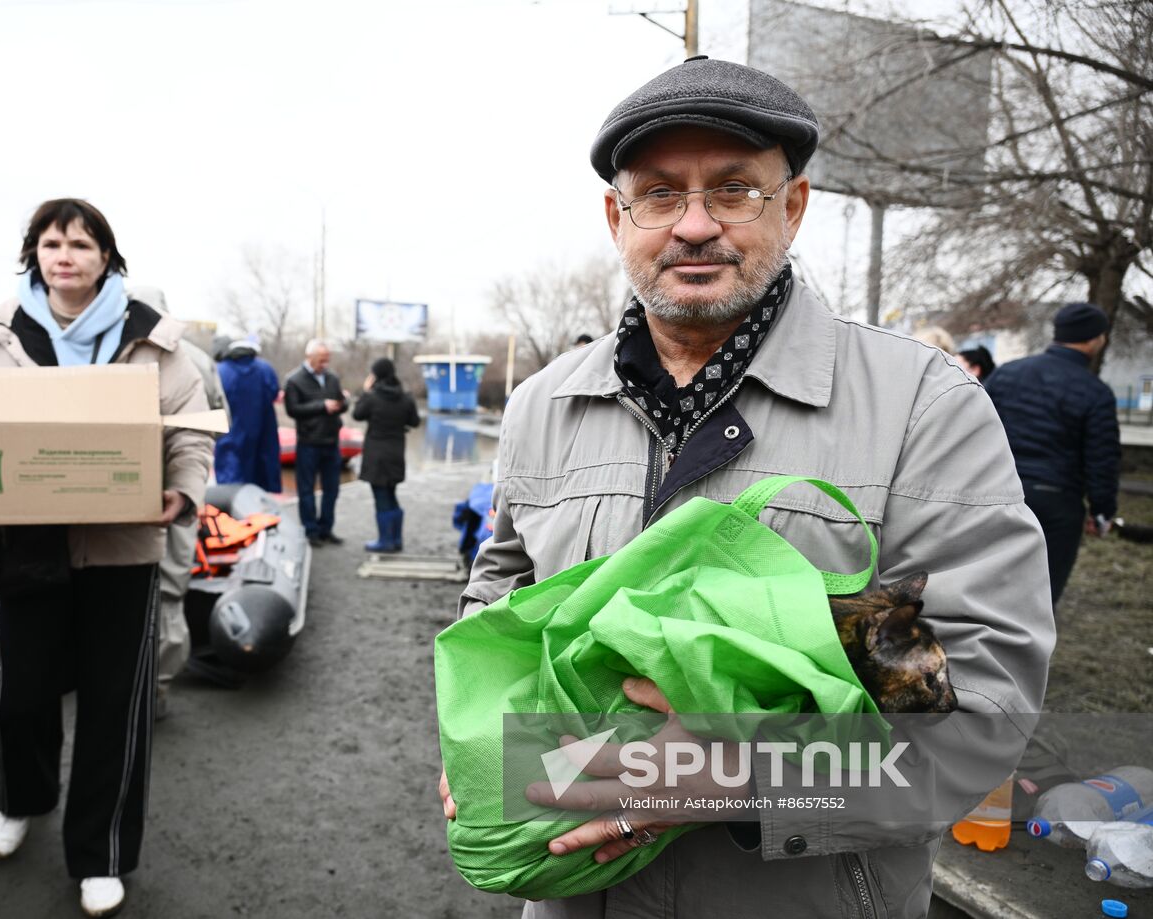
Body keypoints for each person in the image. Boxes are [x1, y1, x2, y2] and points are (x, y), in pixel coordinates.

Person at [442, 57, 1053, 918]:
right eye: (659, 194)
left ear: (792, 206)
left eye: (734, 191)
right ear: (618, 217)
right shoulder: (544, 403)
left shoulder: (925, 405)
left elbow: (987, 694)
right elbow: (501, 591)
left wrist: (746, 782)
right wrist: (475, 737)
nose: (695, 225)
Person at [0, 199, 211, 917]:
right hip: (27, 540)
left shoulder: (154, 341)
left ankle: (102, 854)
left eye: (82, 244)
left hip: (123, 547)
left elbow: (191, 433)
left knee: (115, 708)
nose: (66, 255)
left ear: (106, 258)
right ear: (35, 254)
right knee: (22, 694)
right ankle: (21, 796)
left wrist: (181, 493)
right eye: (53, 243)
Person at [129, 285, 229, 719]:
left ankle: (140, 687)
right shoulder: (199, 359)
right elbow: (219, 420)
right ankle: (157, 688)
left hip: (141, 491)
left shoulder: (121, 352)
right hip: (181, 489)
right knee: (169, 589)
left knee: (142, 591)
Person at [985, 302, 1120, 605]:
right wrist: (1102, 511)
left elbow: (973, 429)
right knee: (1040, 597)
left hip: (998, 494)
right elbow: (1102, 458)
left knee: (989, 590)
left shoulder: (1007, 374)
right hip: (1057, 504)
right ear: (1093, 339)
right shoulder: (1094, 392)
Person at [351, 357, 420, 552]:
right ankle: (396, 539)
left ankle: (385, 541)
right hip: (396, 453)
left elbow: (357, 414)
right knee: (391, 494)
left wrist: (365, 391)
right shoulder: (406, 397)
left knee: (381, 498)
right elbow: (414, 422)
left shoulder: (372, 397)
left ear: (375, 376)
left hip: (376, 456)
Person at [284, 339, 348, 545]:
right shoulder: (294, 380)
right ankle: (310, 530)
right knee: (306, 489)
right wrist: (322, 406)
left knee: (332, 489)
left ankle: (326, 528)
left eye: (327, 360)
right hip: (309, 442)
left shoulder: (332, 378)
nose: (325, 364)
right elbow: (292, 410)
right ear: (309, 358)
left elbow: (341, 404)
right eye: (321, 360)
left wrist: (342, 403)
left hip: (331, 441)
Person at [214, 334, 282, 492]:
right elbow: (274, 392)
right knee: (260, 492)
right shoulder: (265, 369)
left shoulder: (220, 371)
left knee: (231, 490)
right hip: (263, 440)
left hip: (230, 439)